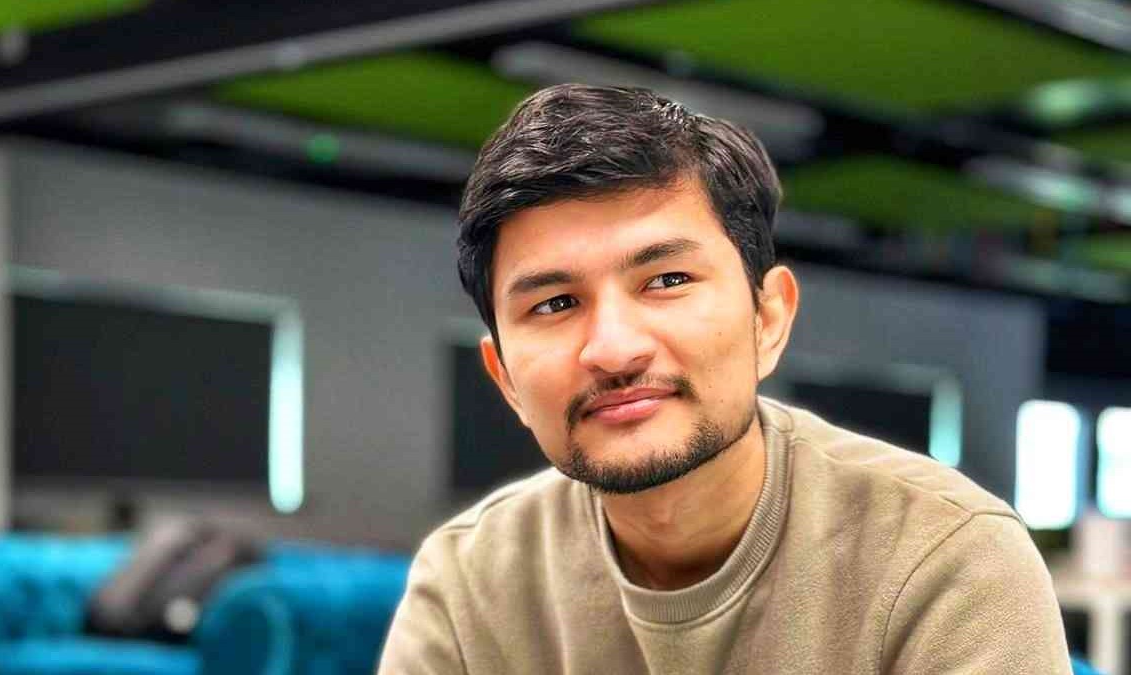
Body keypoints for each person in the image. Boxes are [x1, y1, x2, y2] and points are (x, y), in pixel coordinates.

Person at [378, 84, 1070, 674]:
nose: (614, 349)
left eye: (667, 279)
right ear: (504, 379)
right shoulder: (468, 584)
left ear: (768, 318)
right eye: (555, 303)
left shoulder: (944, 560)